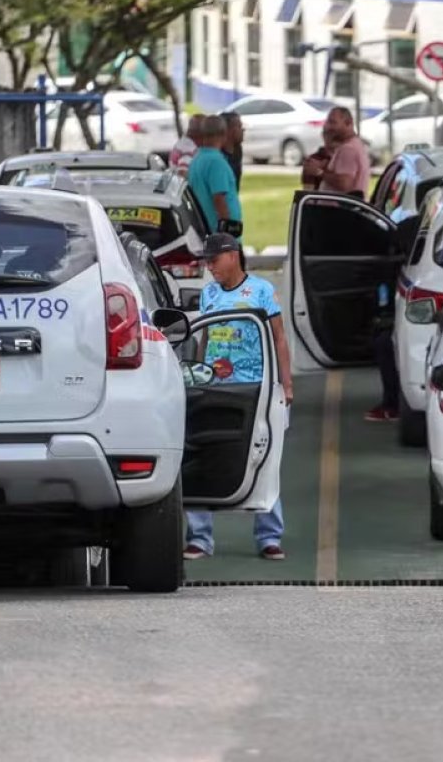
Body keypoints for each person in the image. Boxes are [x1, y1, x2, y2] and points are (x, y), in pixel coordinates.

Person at [183, 233, 294, 562]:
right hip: (216, 387)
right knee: (205, 457)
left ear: (233, 256)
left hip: (256, 387)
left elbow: (279, 338)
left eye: (214, 259)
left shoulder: (260, 291)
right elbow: (204, 337)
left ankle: (269, 536)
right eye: (207, 260)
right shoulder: (208, 294)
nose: (209, 266)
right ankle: (200, 538)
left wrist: (286, 385)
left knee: (265, 459)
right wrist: (201, 374)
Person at [188, 115, 245, 268]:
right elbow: (219, 198)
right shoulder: (216, 162)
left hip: (207, 234)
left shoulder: (197, 159)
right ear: (223, 134)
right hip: (221, 239)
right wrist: (228, 237)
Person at [303, 106, 370, 198]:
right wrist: (324, 166)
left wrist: (318, 172)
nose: (327, 126)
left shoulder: (348, 149)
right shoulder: (354, 145)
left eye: (333, 122)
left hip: (338, 210)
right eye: (328, 122)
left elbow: (344, 183)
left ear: (348, 123)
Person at [301, 125, 339, 190]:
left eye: (337, 134)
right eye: (330, 133)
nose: (333, 137)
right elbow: (308, 190)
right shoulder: (313, 160)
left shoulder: (346, 157)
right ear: (323, 135)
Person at [219, 111, 244, 190]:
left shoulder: (237, 151)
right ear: (228, 130)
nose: (243, 130)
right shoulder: (218, 158)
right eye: (239, 126)